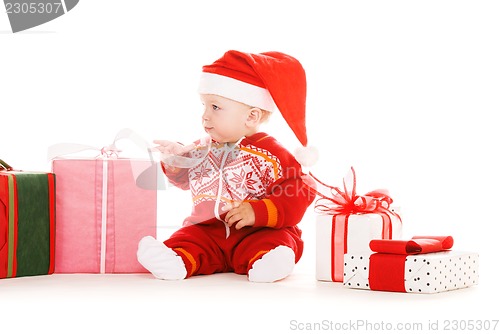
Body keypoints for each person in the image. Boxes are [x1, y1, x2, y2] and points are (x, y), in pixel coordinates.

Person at [137, 50, 317, 282]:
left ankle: (270, 261)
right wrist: (176, 159)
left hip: (255, 232)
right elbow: (183, 180)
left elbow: (298, 192)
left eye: (215, 107)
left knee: (275, 240)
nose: (204, 116)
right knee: (189, 237)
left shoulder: (274, 155)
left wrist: (257, 211)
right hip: (208, 231)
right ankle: (175, 260)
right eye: (204, 105)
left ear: (251, 116)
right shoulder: (202, 148)